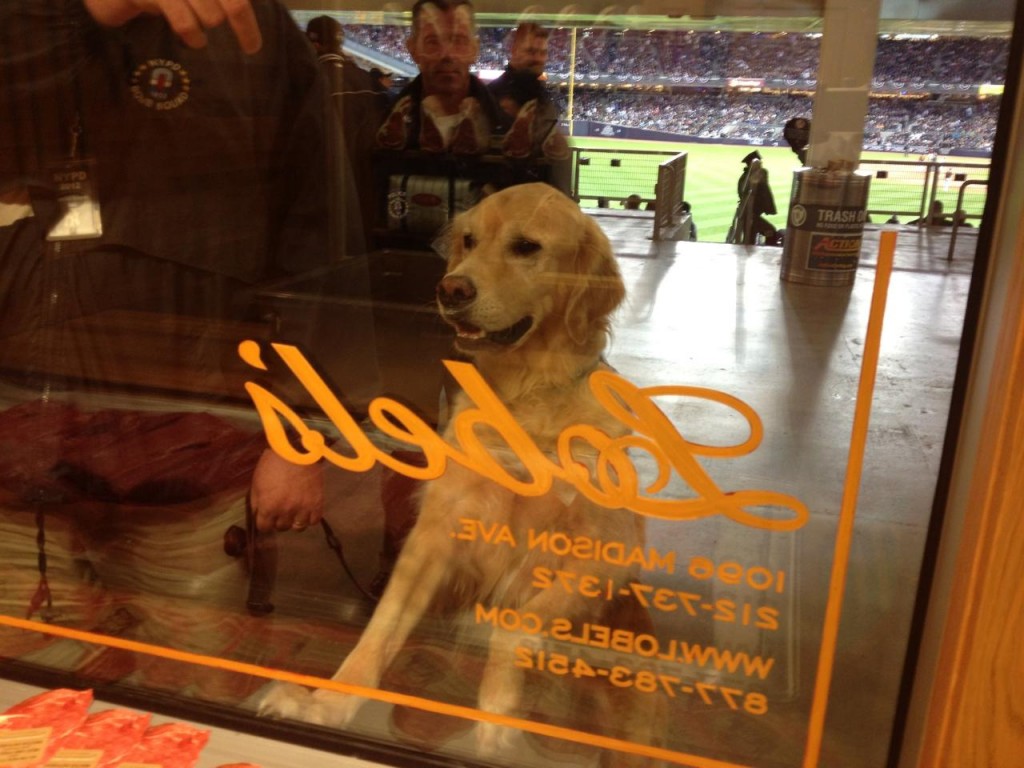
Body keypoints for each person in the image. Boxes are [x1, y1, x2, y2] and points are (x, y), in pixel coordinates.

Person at [0, 0, 327, 532]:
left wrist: (299, 440)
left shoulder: (255, 29)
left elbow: (315, 244)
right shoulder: (33, 19)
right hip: (29, 443)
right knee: (27, 613)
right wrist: (87, 12)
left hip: (196, 458)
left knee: (182, 613)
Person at [306, 14, 388, 257]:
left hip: (325, 196)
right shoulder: (364, 79)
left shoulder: (311, 82)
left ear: (315, 44)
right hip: (364, 190)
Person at [376, 0, 504, 154]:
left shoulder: (504, 127)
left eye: (458, 41)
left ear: (474, 49)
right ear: (413, 49)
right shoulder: (378, 128)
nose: (447, 54)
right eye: (433, 42)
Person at [487, 21, 569, 160]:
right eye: (531, 51)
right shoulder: (494, 95)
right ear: (514, 50)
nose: (538, 58)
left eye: (543, 52)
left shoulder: (537, 90)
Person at [736, 150, 780, 245]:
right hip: (750, 216)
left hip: (751, 215)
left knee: (749, 241)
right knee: (769, 232)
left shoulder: (749, 177)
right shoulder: (749, 178)